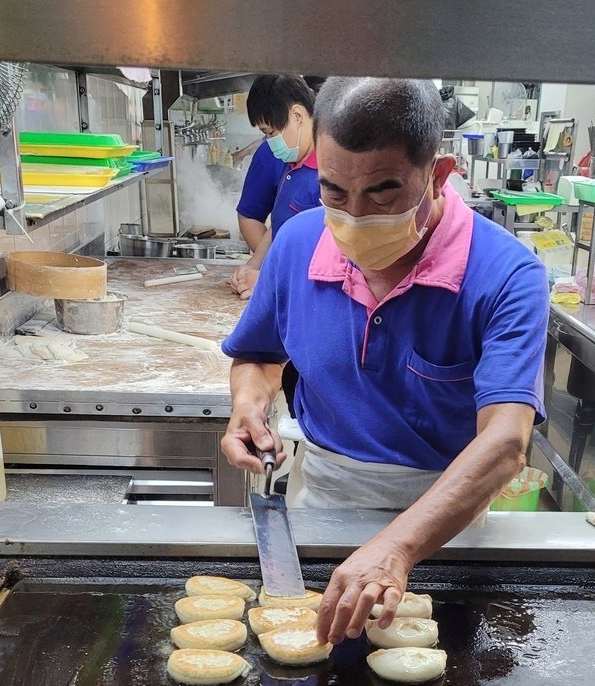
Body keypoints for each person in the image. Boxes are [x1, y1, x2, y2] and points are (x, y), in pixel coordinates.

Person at [220, 77, 548, 647]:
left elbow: (504, 443)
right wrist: (249, 407)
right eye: (334, 192)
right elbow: (258, 353)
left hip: (443, 527)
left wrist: (398, 547)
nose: (354, 216)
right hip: (321, 504)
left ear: (437, 175)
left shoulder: (506, 275)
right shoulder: (297, 245)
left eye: (384, 192)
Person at [229, 75, 321, 302]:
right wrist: (253, 267)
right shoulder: (293, 167)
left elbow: (332, 261)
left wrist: (267, 281)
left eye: (271, 133)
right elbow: (278, 229)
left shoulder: (329, 175)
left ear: (297, 116)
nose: (270, 142)